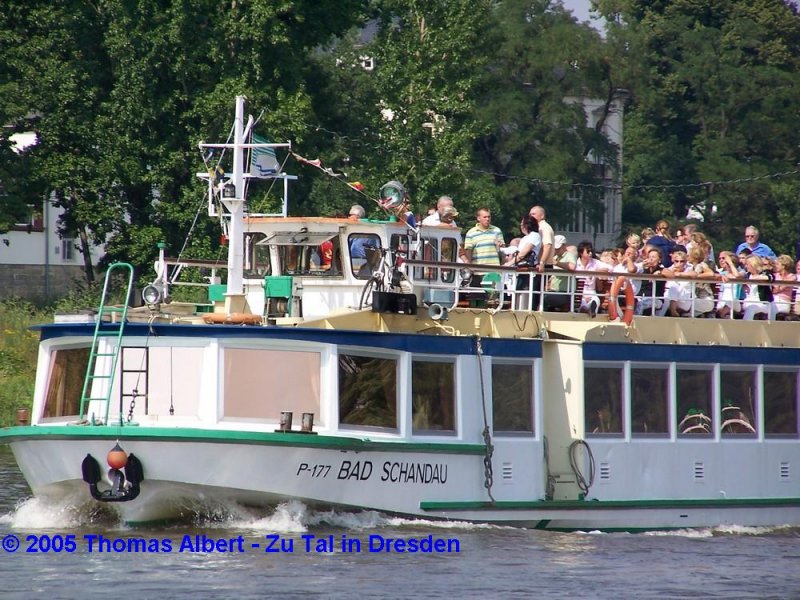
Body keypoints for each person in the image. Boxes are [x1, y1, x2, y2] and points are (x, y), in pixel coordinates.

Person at [543, 235, 577, 311]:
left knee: (544, 298)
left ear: (564, 246)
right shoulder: (555, 257)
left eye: (557, 248)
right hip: (555, 291)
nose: (556, 250)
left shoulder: (569, 255)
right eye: (555, 249)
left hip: (565, 292)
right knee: (542, 296)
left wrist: (557, 263)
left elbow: (572, 267)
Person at [529, 206, 555, 273]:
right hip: (538, 265)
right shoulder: (538, 227)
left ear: (542, 216)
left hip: (543, 266)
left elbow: (547, 245)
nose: (531, 216)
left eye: (533, 214)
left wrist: (542, 263)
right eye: (530, 214)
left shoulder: (544, 227)